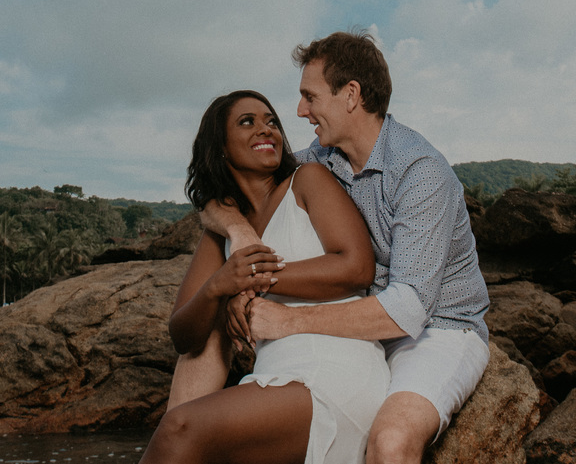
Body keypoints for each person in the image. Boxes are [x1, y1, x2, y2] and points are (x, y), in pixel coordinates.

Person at [202, 31, 490, 464]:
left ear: (351, 95)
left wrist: (289, 321)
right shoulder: (322, 158)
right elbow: (221, 191)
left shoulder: (420, 172)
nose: (300, 111)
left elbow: (408, 308)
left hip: (438, 329)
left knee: (390, 441)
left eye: (310, 97)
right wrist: (238, 231)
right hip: (362, 328)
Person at [140, 90, 390, 464]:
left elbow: (356, 267)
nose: (266, 129)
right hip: (273, 377)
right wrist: (218, 288)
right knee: (183, 433)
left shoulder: (307, 180)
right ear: (220, 148)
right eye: (248, 122)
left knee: (179, 429)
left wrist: (251, 280)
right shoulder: (221, 232)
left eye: (271, 121)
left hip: (333, 370)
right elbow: (183, 335)